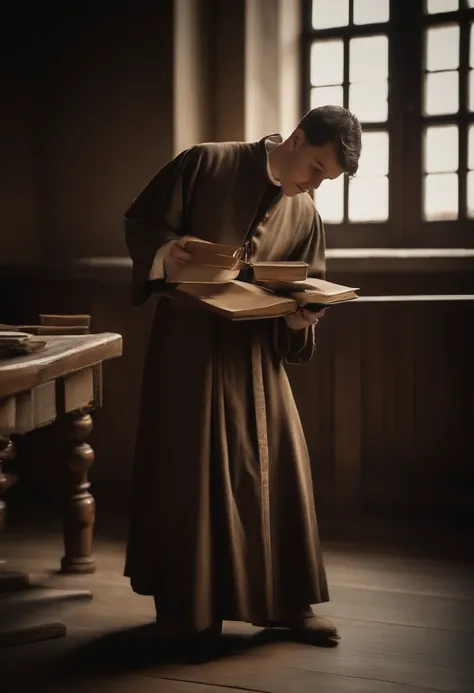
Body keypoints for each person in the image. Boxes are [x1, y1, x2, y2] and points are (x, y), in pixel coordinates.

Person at [124, 105, 362, 659]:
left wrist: (301, 319)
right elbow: (143, 224)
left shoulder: (306, 213)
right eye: (315, 168)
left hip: (256, 358)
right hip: (188, 351)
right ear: (297, 137)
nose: (313, 185)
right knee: (188, 474)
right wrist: (169, 252)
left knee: (277, 467)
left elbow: (303, 290)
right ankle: (190, 613)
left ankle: (287, 604)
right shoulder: (205, 164)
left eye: (326, 179)